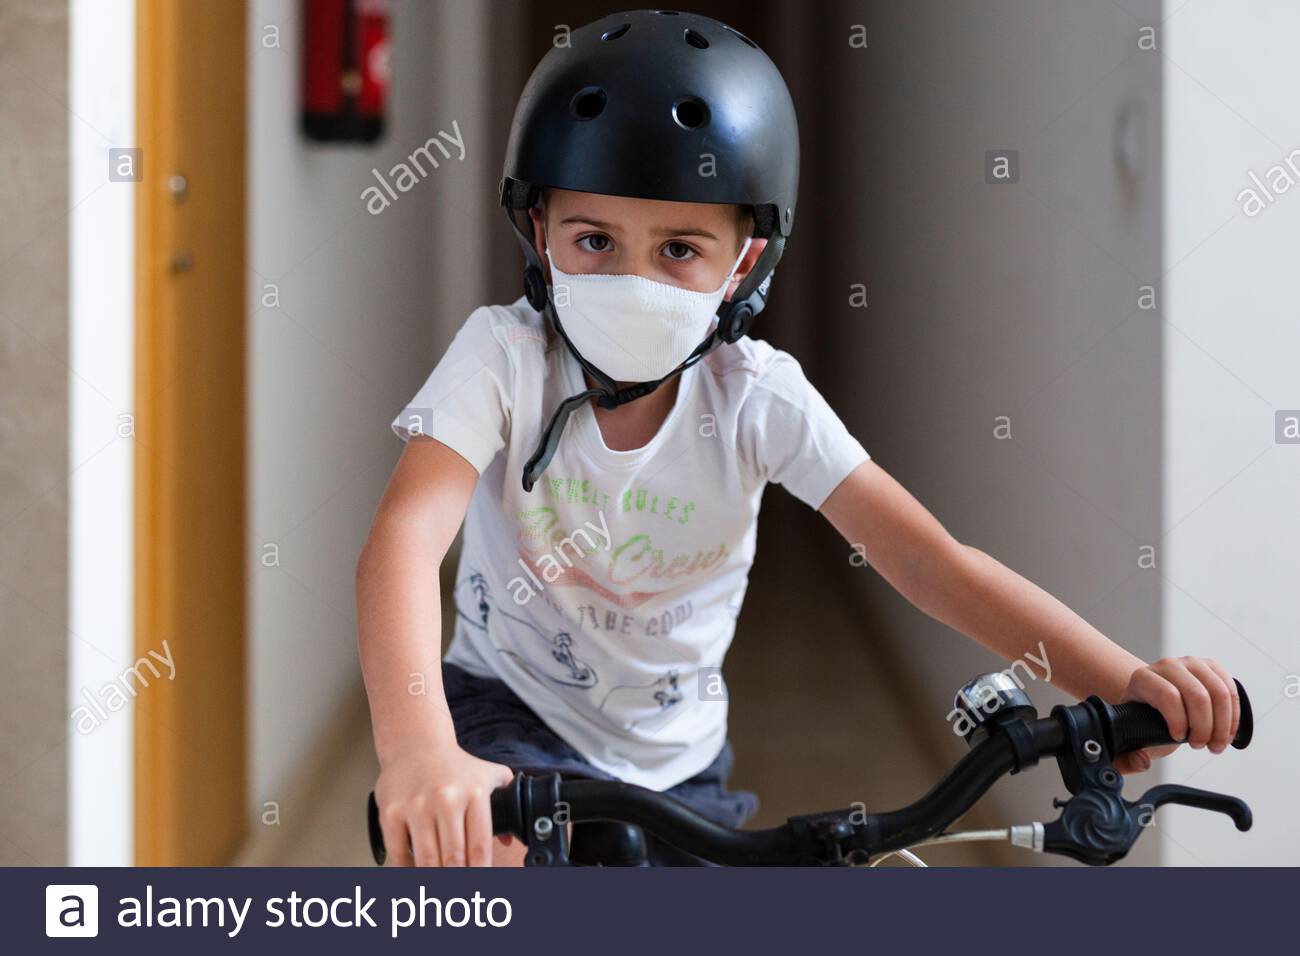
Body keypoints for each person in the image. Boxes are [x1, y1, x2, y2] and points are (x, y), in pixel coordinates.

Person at [357, 10, 1240, 867]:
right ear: (538, 230)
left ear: (744, 262)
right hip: (507, 717)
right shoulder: (504, 357)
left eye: (678, 250)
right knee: (476, 864)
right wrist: (419, 750)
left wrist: (1120, 682)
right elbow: (405, 538)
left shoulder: (756, 397)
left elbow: (928, 561)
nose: (632, 282)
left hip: (680, 769)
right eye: (595, 240)